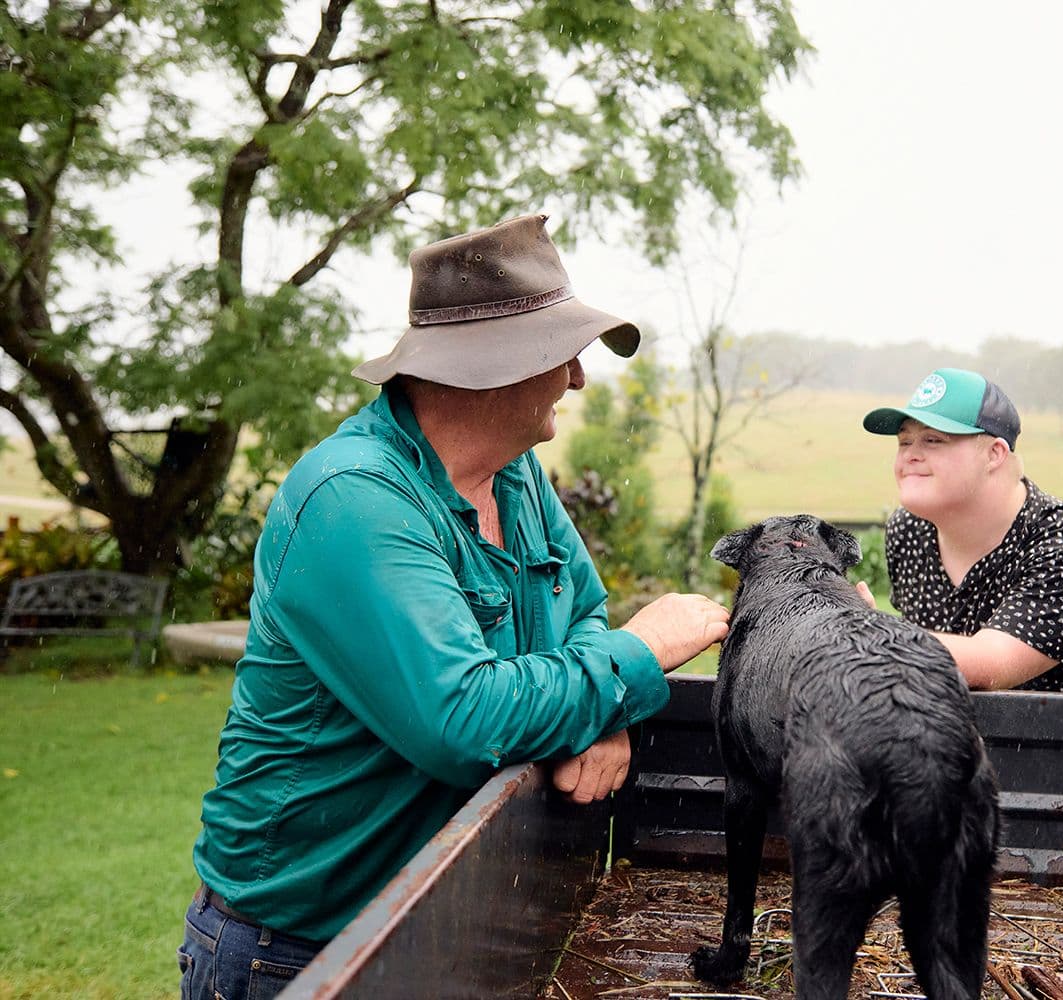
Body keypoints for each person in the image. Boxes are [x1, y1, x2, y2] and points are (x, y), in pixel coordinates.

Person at [178, 214, 729, 1000]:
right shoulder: (355, 500)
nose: (578, 379)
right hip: (299, 950)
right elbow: (462, 722)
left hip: (440, 917)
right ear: (495, 367)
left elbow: (581, 612)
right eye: (562, 354)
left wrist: (603, 710)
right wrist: (639, 658)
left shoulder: (517, 475)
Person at [859, 367, 1063, 695]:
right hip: (953, 742)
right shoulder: (908, 532)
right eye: (904, 441)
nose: (910, 454)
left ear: (994, 454)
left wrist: (871, 636)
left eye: (933, 439)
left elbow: (991, 666)